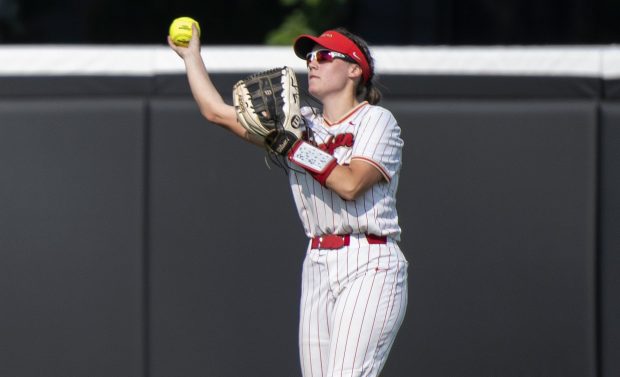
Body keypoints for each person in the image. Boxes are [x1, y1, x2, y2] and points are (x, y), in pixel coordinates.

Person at [168, 25, 408, 377]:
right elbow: (215, 112)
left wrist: (294, 147)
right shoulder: (299, 124)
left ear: (355, 70)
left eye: (324, 56)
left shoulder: (376, 120)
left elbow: (352, 183)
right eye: (309, 57)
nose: (313, 63)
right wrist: (191, 57)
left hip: (369, 261)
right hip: (317, 261)